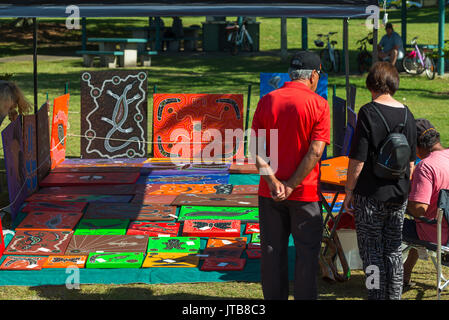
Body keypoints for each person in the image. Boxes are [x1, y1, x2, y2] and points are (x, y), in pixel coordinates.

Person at [250, 51, 330, 300]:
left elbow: (255, 149)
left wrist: (274, 182)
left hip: (270, 192)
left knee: (273, 253)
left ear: (290, 74)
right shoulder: (318, 104)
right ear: (314, 75)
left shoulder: (268, 100)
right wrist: (292, 185)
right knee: (307, 255)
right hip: (304, 193)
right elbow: (316, 151)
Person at [342, 61, 417, 300]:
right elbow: (412, 163)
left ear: (371, 84)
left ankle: (375, 294)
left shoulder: (367, 112)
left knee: (371, 251)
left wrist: (349, 190)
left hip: (370, 195)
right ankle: (393, 296)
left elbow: (358, 159)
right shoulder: (408, 114)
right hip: (398, 194)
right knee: (394, 249)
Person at [402, 119, 449, 290]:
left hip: (437, 234)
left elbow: (419, 209)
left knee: (387, 223)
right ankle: (405, 273)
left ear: (416, 146)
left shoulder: (427, 166)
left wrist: (400, 200)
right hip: (442, 226)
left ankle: (386, 277)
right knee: (422, 223)